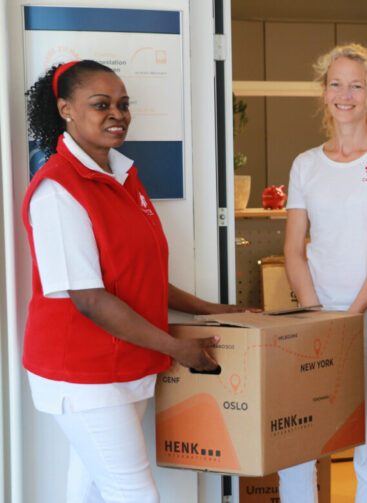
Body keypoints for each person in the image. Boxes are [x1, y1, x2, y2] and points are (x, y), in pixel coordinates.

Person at [22, 60, 250, 503]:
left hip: (125, 359)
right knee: (134, 493)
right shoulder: (58, 189)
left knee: (89, 485)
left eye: (123, 105)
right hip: (83, 370)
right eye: (101, 104)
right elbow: (89, 298)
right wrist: (177, 348)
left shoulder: (124, 177)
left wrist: (212, 310)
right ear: (66, 109)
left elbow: (139, 278)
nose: (117, 114)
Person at [278, 44, 367, 503]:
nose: (346, 94)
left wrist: (350, 319)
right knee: (299, 442)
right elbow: (293, 250)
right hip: (314, 319)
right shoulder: (305, 165)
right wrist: (317, 314)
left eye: (357, 85)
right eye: (336, 83)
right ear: (323, 93)